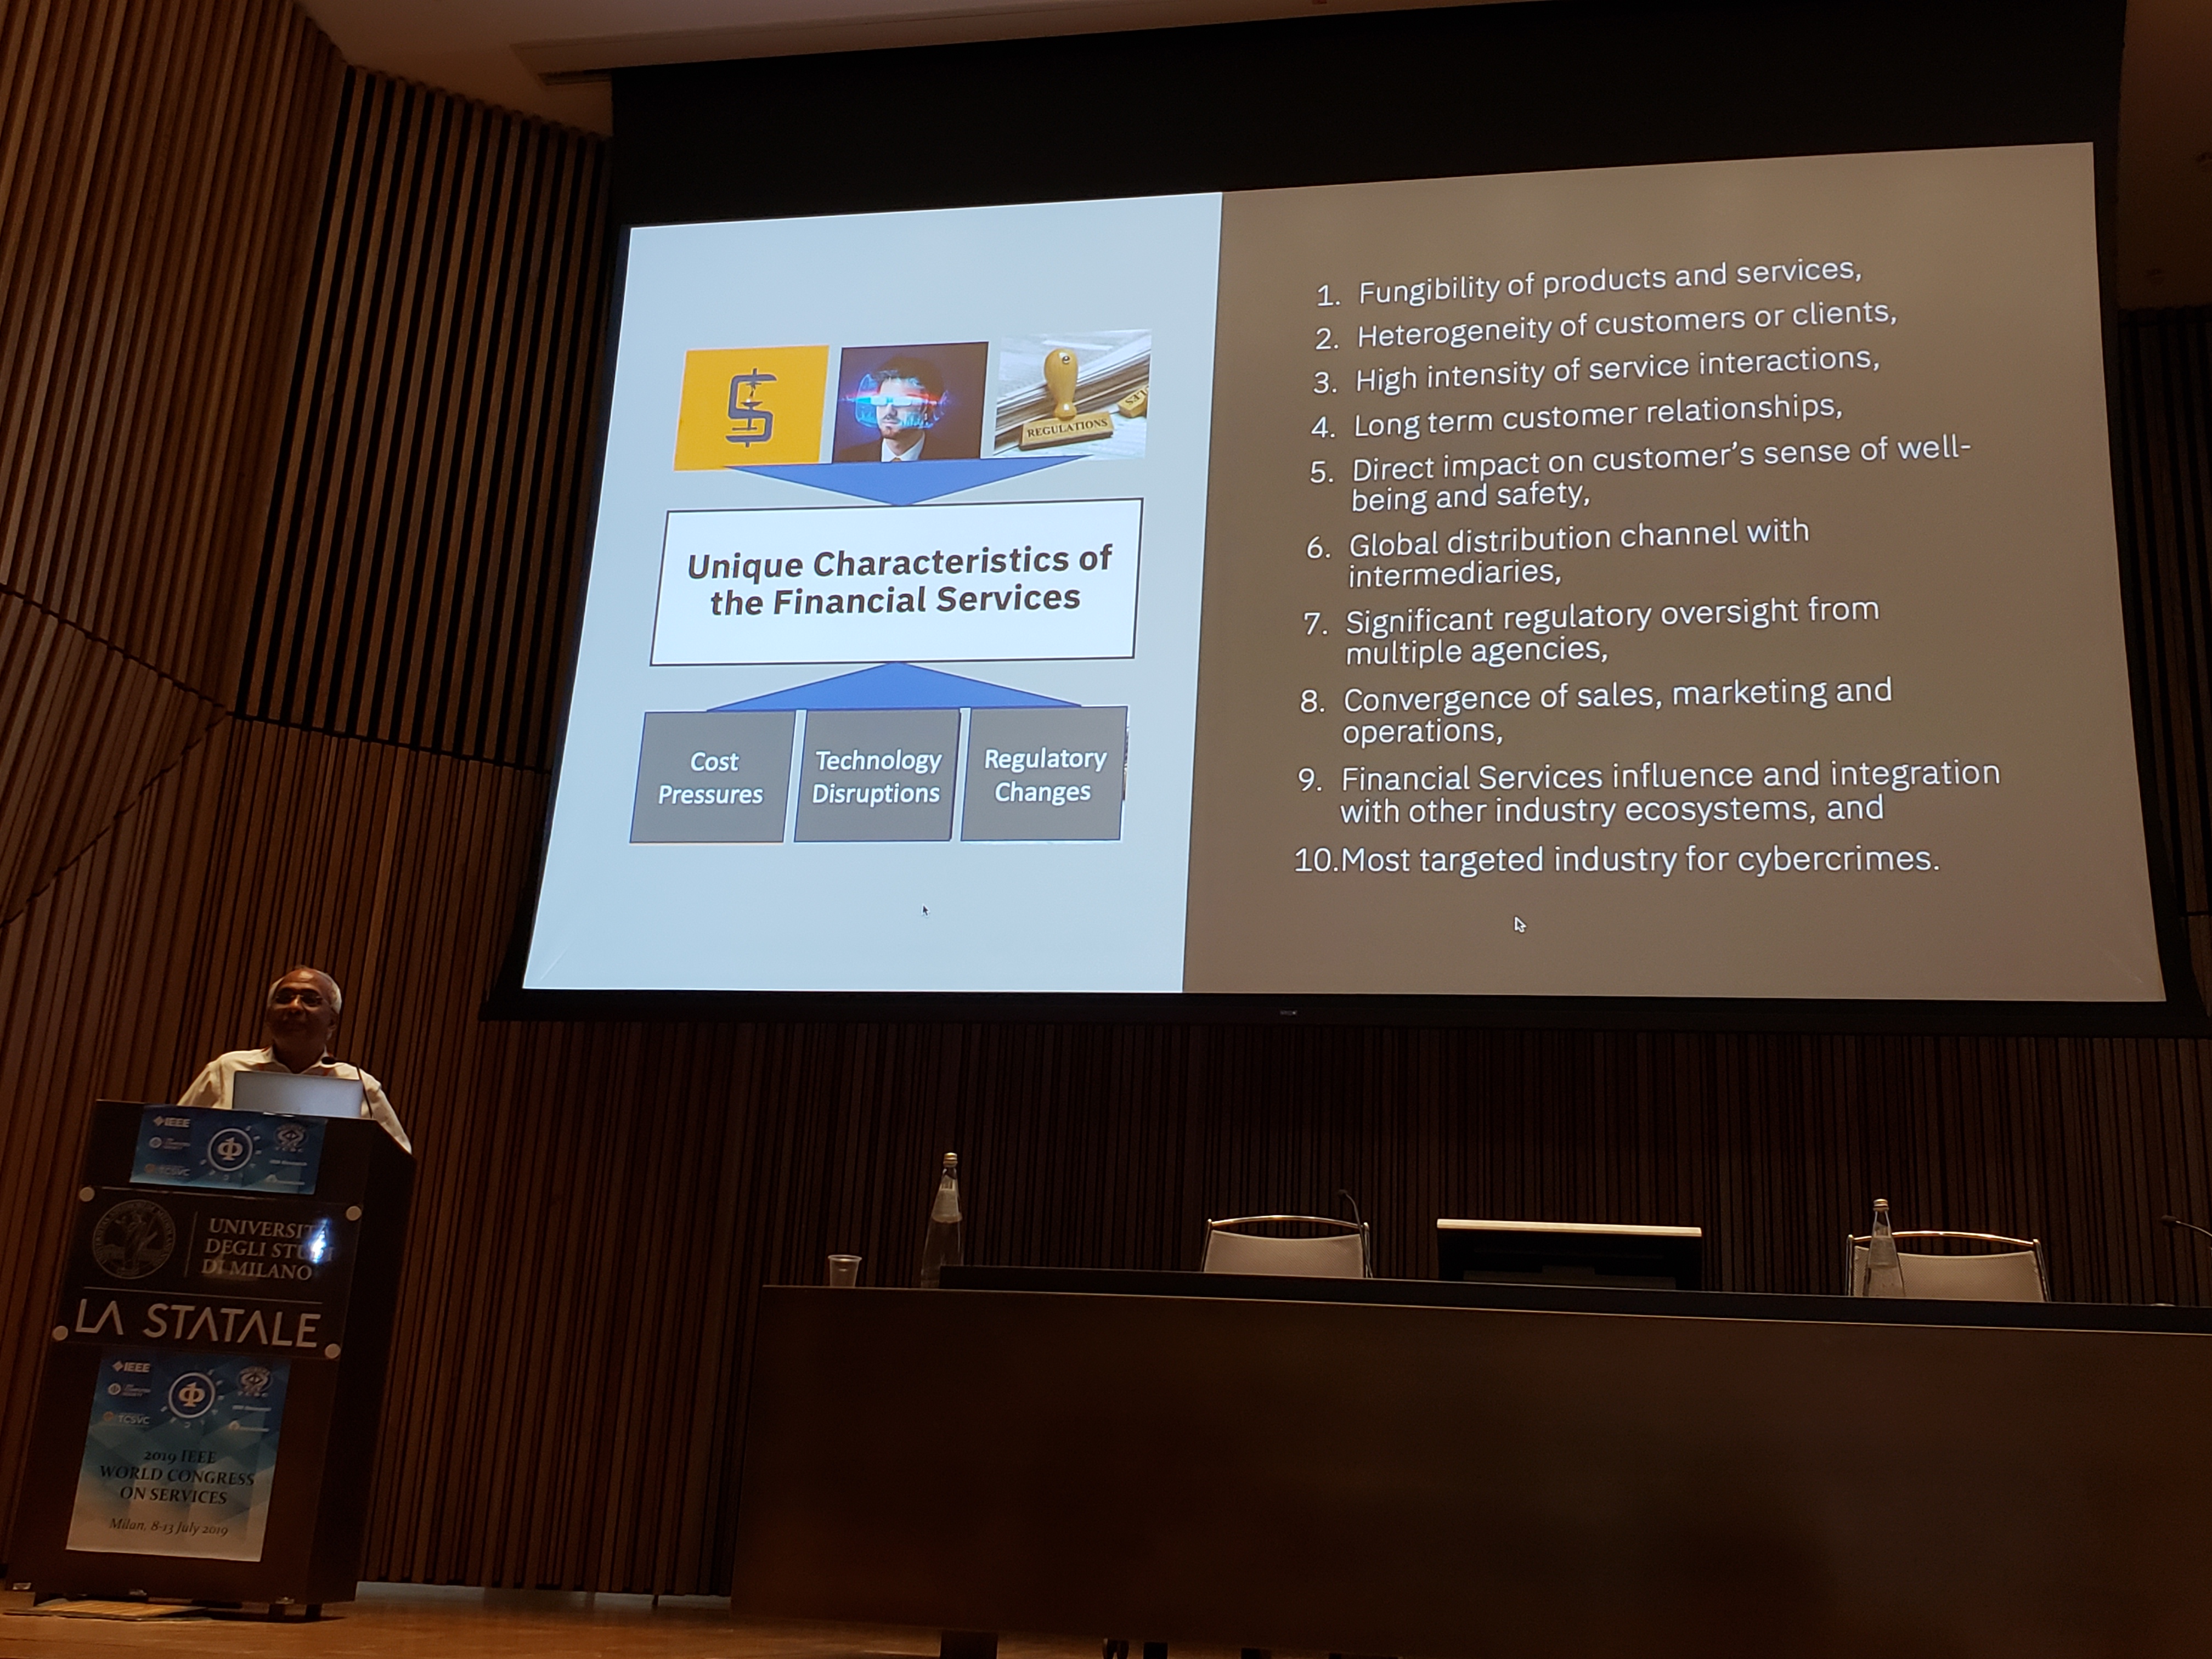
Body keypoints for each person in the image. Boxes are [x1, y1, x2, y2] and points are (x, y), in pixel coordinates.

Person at [179, 966, 410, 1151]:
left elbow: (397, 1158)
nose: (295, 1007)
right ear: (268, 1016)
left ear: (332, 1021)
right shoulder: (226, 1069)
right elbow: (177, 1133)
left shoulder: (358, 1084)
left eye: (310, 1000)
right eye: (285, 997)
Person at [834, 355, 946, 462]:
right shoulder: (849, 459)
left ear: (928, 408)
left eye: (902, 402)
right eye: (881, 401)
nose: (889, 412)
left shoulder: (951, 457)